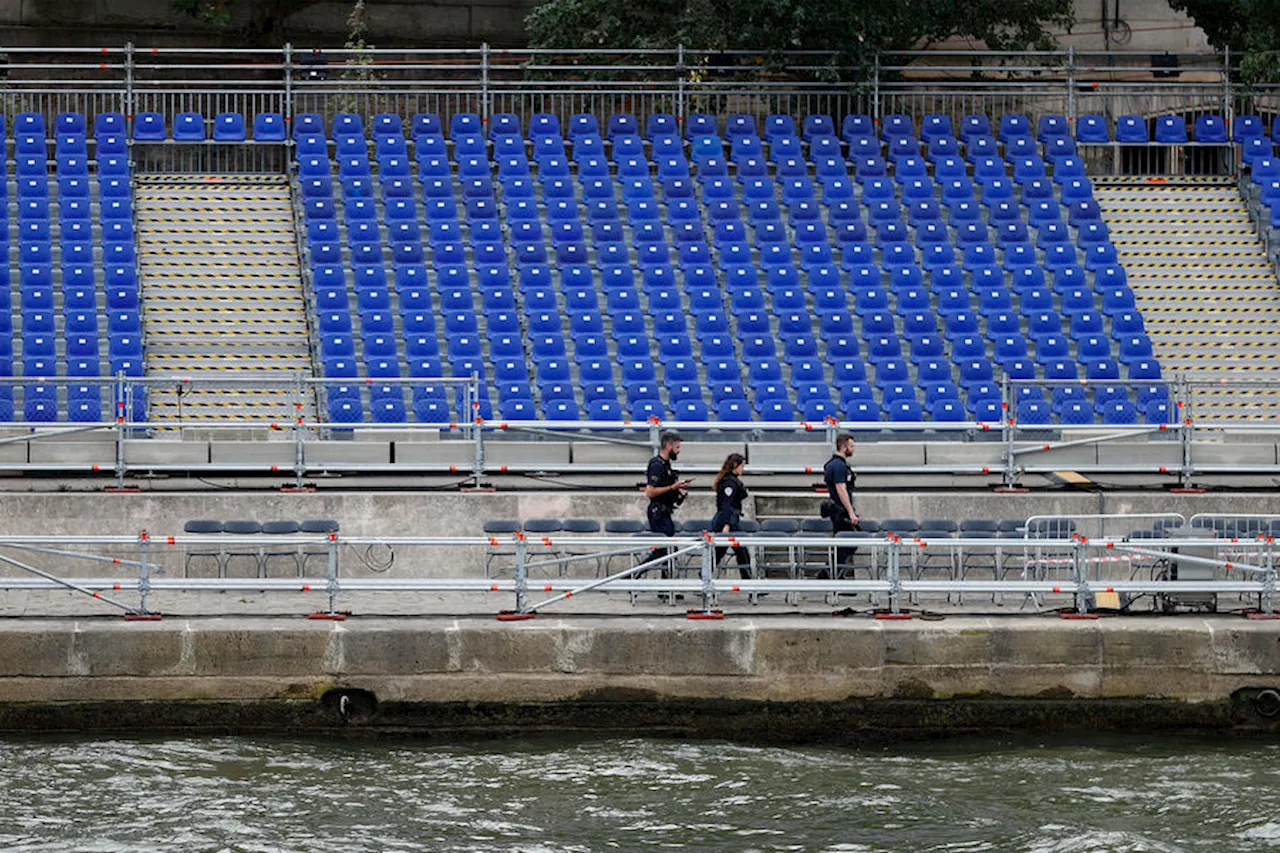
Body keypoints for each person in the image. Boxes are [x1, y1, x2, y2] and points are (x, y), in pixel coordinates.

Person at [642, 431, 691, 577]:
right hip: (658, 512)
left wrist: (679, 492)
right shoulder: (657, 465)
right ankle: (635, 574)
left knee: (668, 550)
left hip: (666, 510)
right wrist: (672, 487)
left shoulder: (666, 465)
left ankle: (666, 587)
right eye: (676, 447)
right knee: (664, 550)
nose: (678, 451)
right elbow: (650, 492)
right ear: (668, 446)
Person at [711, 453, 752, 579]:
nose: (743, 469)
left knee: (741, 552)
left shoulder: (733, 481)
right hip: (727, 522)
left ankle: (749, 582)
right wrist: (727, 525)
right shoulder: (729, 483)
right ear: (735, 465)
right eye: (742, 465)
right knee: (721, 553)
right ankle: (704, 576)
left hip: (731, 521)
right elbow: (726, 505)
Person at [822, 433, 860, 567]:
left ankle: (833, 572)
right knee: (849, 543)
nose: (853, 449)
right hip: (840, 510)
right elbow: (841, 489)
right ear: (844, 447)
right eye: (851, 446)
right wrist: (850, 512)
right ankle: (828, 574)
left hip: (837, 509)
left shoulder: (833, 464)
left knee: (846, 544)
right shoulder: (838, 466)